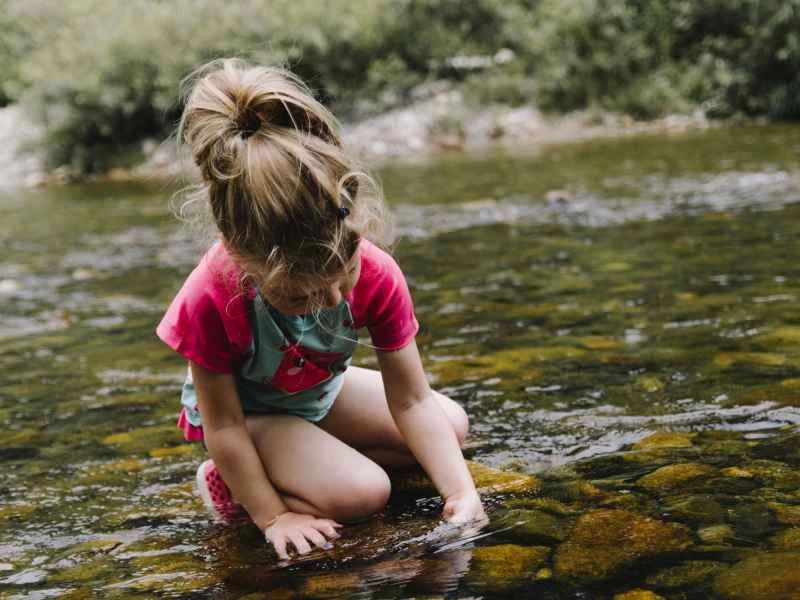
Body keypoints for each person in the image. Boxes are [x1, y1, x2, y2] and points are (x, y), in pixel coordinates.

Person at [156, 58, 486, 560]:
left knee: (451, 427)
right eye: (300, 297)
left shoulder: (376, 272)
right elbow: (222, 426)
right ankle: (233, 484)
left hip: (317, 393)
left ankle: (312, 461)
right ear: (244, 260)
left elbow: (412, 401)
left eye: (342, 278)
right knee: (365, 494)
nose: (331, 302)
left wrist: (461, 493)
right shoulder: (211, 296)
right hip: (252, 418)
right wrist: (274, 515)